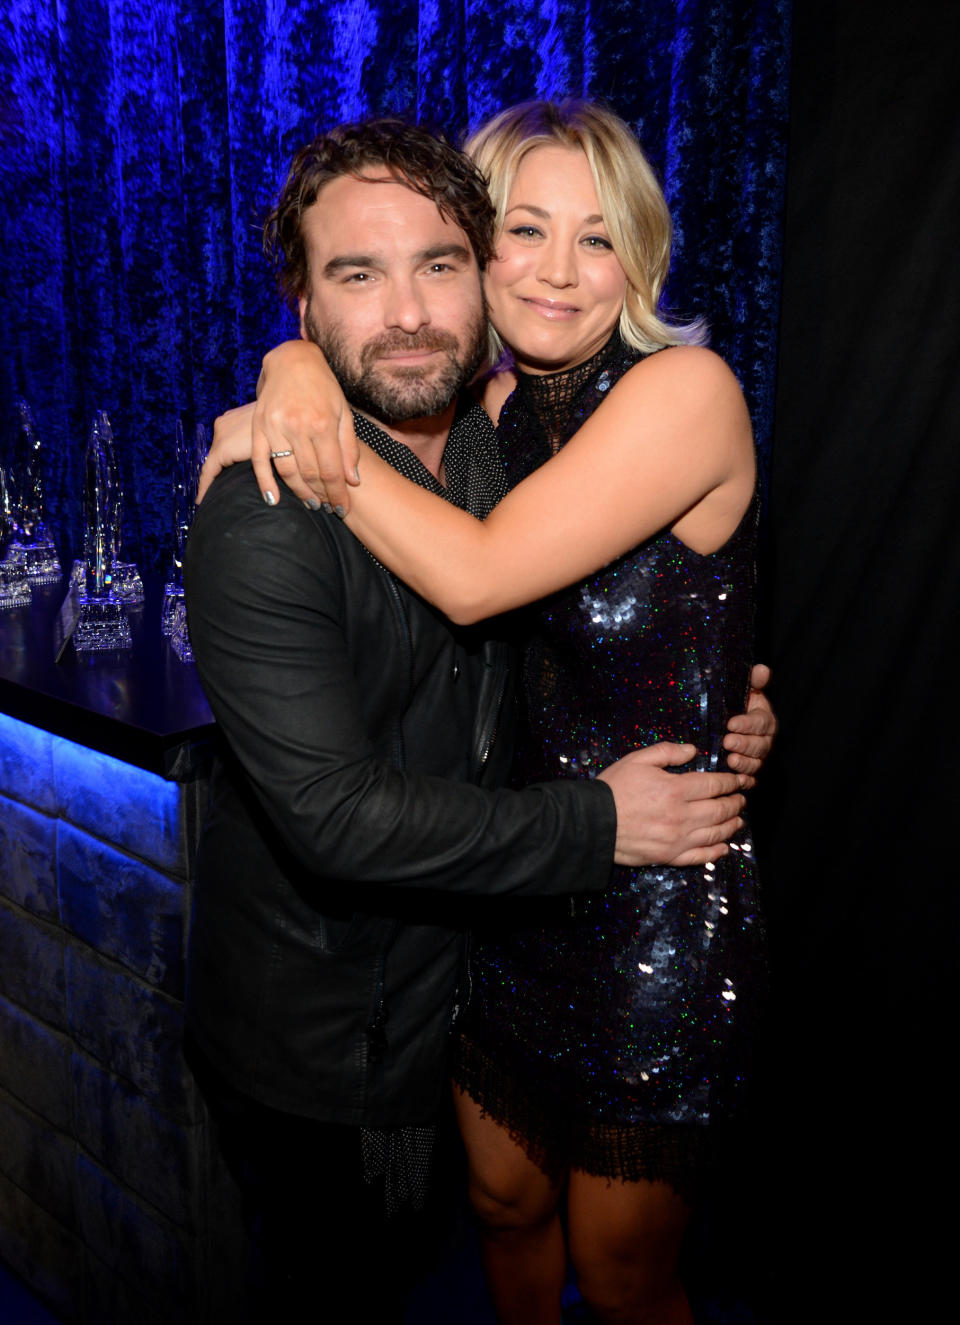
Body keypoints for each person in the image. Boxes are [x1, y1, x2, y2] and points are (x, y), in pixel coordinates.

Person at [184, 116, 772, 1323]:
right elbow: (349, 802)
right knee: (496, 1219)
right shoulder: (484, 418)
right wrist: (287, 375)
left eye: (598, 237)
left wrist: (738, 709)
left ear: (642, 261)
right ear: (487, 254)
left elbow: (492, 579)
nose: (559, 269)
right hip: (489, 913)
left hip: (643, 891)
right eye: (528, 232)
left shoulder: (654, 398)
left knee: (618, 1269)